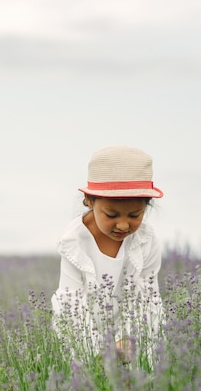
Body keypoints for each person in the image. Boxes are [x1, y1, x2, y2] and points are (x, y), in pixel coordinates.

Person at [51, 145, 164, 364]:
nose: (123, 225)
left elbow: (149, 299)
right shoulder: (73, 242)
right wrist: (98, 353)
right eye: (111, 214)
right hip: (82, 326)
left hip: (132, 323)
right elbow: (70, 302)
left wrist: (128, 339)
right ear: (89, 201)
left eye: (135, 215)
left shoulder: (146, 239)